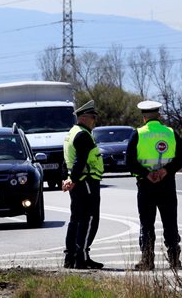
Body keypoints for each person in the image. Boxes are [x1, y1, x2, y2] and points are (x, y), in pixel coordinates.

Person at [126, 100, 182, 271]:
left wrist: (147, 173)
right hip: (167, 184)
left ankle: (147, 260)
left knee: (146, 223)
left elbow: (129, 161)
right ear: (159, 116)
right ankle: (174, 259)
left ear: (144, 117)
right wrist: (166, 171)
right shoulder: (170, 132)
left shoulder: (138, 134)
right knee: (170, 222)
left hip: (146, 185)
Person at [62, 100, 105, 269]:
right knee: (89, 219)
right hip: (86, 182)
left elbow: (66, 161)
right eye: (93, 118)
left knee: (76, 219)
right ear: (85, 118)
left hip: (77, 182)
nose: (94, 121)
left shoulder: (71, 133)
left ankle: (70, 257)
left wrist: (67, 178)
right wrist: (73, 179)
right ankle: (82, 257)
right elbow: (80, 161)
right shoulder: (83, 135)